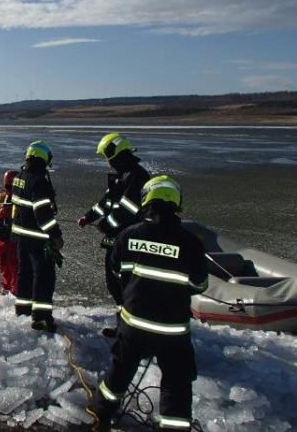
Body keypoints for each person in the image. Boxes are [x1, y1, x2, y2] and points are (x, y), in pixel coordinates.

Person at [89, 175, 208, 432]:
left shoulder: (128, 235)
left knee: (119, 372)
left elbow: (118, 272)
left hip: (134, 323)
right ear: (177, 204)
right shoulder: (191, 243)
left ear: (146, 200)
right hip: (172, 330)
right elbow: (200, 285)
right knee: (176, 382)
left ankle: (101, 412)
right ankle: (174, 426)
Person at [77, 132, 149, 337]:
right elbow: (106, 202)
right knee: (115, 283)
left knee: (125, 283)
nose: (108, 163)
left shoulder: (137, 176)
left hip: (131, 239)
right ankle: (124, 327)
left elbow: (128, 209)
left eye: (108, 158)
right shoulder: (122, 176)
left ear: (116, 154)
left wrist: (106, 225)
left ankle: (132, 329)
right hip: (118, 238)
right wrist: (88, 217)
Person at [10, 140, 63, 332]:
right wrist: (55, 235)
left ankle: (22, 309)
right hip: (36, 237)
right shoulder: (38, 181)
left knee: (24, 273)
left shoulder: (20, 176)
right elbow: (43, 214)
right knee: (44, 276)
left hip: (20, 236)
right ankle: (41, 318)